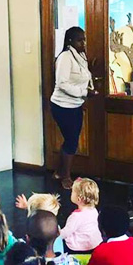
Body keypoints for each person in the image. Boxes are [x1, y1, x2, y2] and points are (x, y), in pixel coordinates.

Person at [50, 26, 98, 190]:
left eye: (84, 39)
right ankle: (66, 177)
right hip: (62, 106)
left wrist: (89, 90)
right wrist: (84, 92)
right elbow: (62, 84)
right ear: (70, 41)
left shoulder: (80, 56)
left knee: (71, 140)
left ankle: (59, 172)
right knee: (71, 141)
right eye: (79, 40)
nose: (83, 43)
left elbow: (82, 77)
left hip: (76, 105)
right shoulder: (65, 57)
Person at [60, 177, 103, 252]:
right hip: (94, 244)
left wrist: (55, 235)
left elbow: (66, 232)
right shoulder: (94, 210)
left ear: (79, 199)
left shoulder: (76, 216)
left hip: (78, 247)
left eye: (72, 191)